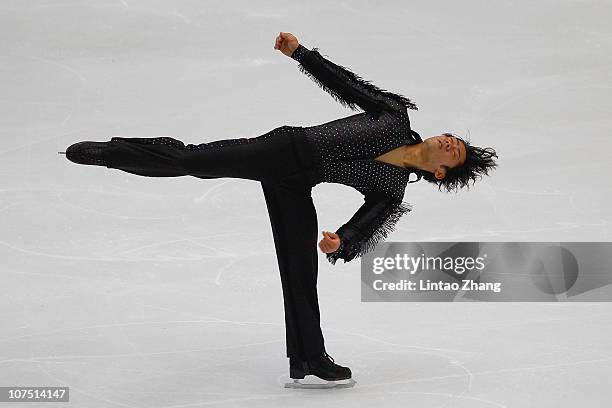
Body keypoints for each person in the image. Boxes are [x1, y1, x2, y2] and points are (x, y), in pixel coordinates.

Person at [60, 31, 498, 388]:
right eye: (451, 138)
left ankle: (310, 359)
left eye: (454, 152)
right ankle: (113, 152)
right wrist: (301, 54)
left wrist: (340, 240)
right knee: (194, 161)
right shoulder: (394, 115)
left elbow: (368, 226)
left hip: (296, 182)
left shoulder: (392, 186)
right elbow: (348, 86)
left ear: (442, 172)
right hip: (283, 147)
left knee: (300, 269)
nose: (448, 143)